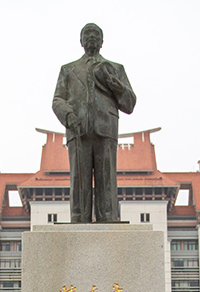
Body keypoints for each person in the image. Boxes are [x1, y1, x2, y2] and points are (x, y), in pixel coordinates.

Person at [52, 23, 136, 223]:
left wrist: (113, 82)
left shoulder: (115, 69)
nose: (91, 36)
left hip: (106, 127)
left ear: (102, 41)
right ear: (81, 41)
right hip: (77, 128)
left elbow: (129, 103)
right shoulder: (68, 70)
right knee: (78, 178)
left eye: (96, 34)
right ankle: (79, 218)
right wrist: (68, 115)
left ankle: (108, 217)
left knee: (107, 177)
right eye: (87, 34)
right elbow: (57, 100)